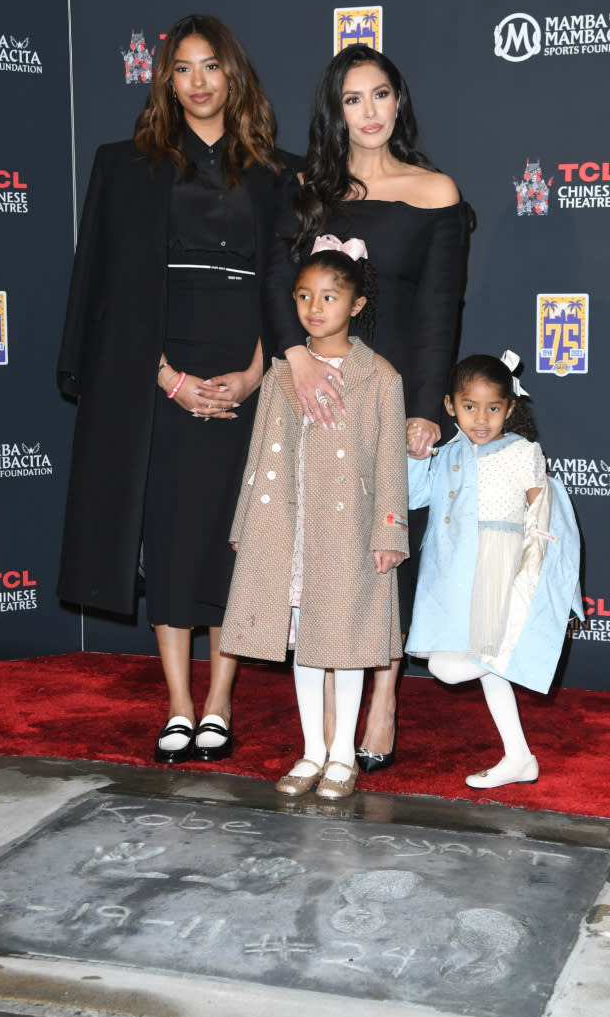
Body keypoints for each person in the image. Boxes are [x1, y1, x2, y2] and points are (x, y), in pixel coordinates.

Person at [57, 15, 297, 765]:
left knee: (231, 543)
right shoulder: (123, 165)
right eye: (183, 68)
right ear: (166, 80)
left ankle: (221, 704)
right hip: (159, 378)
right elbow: (108, 292)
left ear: (234, 75)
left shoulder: (277, 172)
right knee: (169, 540)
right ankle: (179, 705)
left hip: (244, 371)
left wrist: (259, 373)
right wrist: (168, 380)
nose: (198, 81)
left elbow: (285, 286)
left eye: (211, 66)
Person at [264, 43, 469, 771]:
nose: (370, 111)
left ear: (398, 102)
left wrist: (427, 410)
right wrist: (292, 359)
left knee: (384, 557)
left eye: (380, 95)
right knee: (320, 554)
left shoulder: (434, 192)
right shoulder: (308, 193)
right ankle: (325, 720)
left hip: (392, 401)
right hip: (316, 398)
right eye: (354, 99)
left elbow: (440, 309)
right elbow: (277, 289)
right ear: (336, 111)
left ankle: (383, 697)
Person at [220, 243, 408, 799]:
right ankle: (310, 752)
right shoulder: (283, 369)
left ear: (356, 303)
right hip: (288, 525)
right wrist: (243, 524)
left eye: (329, 296)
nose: (314, 307)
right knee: (302, 644)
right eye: (304, 296)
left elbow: (390, 463)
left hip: (348, 533)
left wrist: (390, 532)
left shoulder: (380, 377)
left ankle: (343, 756)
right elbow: (260, 451)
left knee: (344, 643)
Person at [405, 352, 583, 788]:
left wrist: (542, 584)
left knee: (458, 666)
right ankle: (519, 756)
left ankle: (518, 743)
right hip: (451, 576)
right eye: (469, 407)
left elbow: (544, 517)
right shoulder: (446, 453)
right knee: (472, 666)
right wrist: (414, 456)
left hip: (498, 575)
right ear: (450, 406)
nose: (481, 418)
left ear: (510, 408)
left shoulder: (522, 451)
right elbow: (413, 499)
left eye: (493, 408)